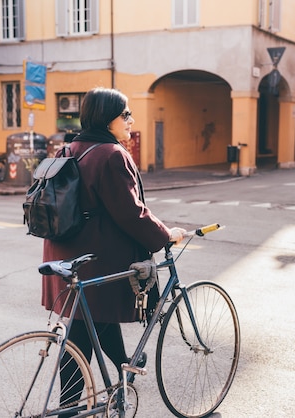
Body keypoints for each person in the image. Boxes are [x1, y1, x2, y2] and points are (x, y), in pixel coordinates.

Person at [41, 87, 186, 414]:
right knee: (83, 329)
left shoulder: (71, 148)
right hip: (95, 258)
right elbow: (131, 213)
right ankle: (71, 406)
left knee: (90, 321)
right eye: (126, 114)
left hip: (63, 251)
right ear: (108, 118)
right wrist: (165, 235)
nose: (131, 120)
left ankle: (122, 367)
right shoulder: (111, 154)